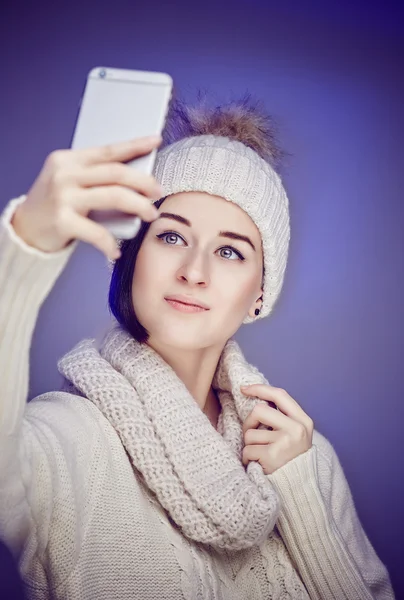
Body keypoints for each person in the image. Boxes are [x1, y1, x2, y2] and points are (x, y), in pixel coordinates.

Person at [0, 94, 395, 600]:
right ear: (128, 256)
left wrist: (301, 493)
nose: (194, 271)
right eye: (170, 237)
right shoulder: (65, 438)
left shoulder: (303, 455)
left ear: (259, 295)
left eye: (230, 251)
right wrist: (25, 247)